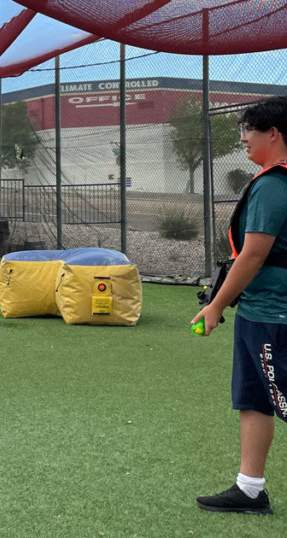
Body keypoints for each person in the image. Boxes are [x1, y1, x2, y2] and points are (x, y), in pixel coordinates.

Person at [192, 96, 287, 515]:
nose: (244, 139)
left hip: (275, 315)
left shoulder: (273, 185)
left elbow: (253, 254)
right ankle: (250, 489)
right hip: (257, 311)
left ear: (274, 133)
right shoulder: (271, 179)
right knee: (253, 398)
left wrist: (216, 306)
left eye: (249, 130)